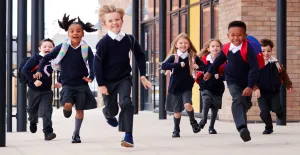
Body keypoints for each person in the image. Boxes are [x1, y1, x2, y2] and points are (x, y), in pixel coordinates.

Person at [94, 5, 152, 147]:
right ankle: (107, 113)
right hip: (107, 82)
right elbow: (97, 65)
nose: (114, 23)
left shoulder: (129, 39)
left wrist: (143, 75)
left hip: (124, 78)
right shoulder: (103, 43)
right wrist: (101, 85)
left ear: (122, 21)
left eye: (117, 19)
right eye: (110, 21)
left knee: (126, 103)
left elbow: (140, 55)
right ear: (105, 24)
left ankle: (128, 136)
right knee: (112, 109)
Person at [35, 14, 97, 143]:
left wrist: (91, 76)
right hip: (67, 83)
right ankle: (66, 109)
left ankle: (76, 134)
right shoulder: (62, 47)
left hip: (81, 83)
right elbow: (46, 58)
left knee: (80, 110)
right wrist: (40, 70)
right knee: (68, 105)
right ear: (68, 33)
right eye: (72, 31)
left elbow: (92, 63)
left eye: (78, 31)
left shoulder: (86, 48)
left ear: (83, 34)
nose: (75, 33)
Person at [203, 21, 259, 142]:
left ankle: (241, 115)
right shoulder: (227, 47)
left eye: (239, 35)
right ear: (228, 36)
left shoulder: (248, 49)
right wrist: (210, 71)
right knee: (237, 99)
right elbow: (218, 61)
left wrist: (250, 86)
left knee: (245, 103)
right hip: (231, 79)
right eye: (232, 35)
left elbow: (254, 69)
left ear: (244, 35)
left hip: (246, 81)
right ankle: (242, 128)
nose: (236, 38)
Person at [161, 33, 202, 138]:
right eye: (181, 43)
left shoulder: (192, 57)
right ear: (176, 45)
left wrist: (198, 66)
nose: (183, 45)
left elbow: (204, 66)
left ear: (189, 45)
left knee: (187, 104)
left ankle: (193, 122)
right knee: (177, 111)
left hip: (187, 86)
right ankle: (176, 129)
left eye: (185, 43)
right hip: (175, 87)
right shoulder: (174, 57)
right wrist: (178, 64)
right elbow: (164, 66)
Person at [254, 38, 293, 134]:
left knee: (275, 108)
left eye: (268, 51)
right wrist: (255, 88)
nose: (266, 53)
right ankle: (268, 127)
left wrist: (289, 85)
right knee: (264, 112)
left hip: (274, 92)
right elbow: (251, 78)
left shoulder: (275, 63)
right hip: (262, 93)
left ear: (271, 51)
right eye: (263, 51)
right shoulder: (255, 64)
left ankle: (279, 112)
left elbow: (283, 74)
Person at [22, 38, 58, 140]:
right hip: (34, 90)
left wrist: (60, 81)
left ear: (53, 48)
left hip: (47, 91)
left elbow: (62, 69)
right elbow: (25, 70)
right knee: (32, 110)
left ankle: (48, 133)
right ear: (40, 48)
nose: (47, 48)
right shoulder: (35, 58)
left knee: (47, 112)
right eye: (45, 47)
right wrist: (34, 81)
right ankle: (33, 121)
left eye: (50, 47)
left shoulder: (54, 59)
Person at [196, 39, 225, 134]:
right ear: (208, 48)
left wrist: (220, 76)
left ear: (220, 48)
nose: (215, 48)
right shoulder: (203, 59)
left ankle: (211, 127)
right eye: (213, 46)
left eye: (217, 46)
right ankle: (203, 119)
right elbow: (198, 69)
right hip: (205, 85)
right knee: (207, 100)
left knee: (215, 108)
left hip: (218, 87)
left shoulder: (224, 61)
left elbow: (227, 74)